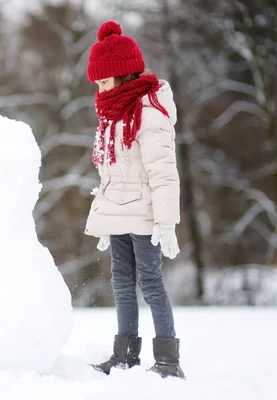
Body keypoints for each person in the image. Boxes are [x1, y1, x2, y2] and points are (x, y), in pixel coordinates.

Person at [84, 20, 185, 379]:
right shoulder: (110, 116)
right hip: (120, 214)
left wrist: (166, 221)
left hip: (145, 215)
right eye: (96, 83)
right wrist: (103, 218)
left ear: (124, 75)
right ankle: (125, 354)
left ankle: (168, 360)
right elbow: (110, 175)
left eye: (105, 81)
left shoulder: (148, 112)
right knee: (121, 283)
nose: (100, 88)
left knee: (151, 283)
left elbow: (163, 172)